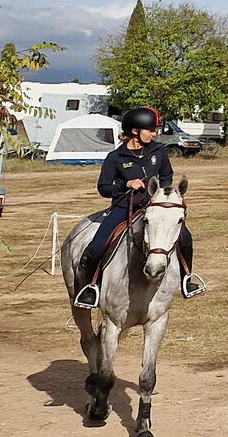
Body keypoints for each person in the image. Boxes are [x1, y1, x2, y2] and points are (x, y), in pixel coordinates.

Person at [75, 107, 193, 308]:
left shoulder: (158, 151)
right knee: (96, 246)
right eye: (151, 130)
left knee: (186, 237)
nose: (154, 134)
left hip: (154, 207)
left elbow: (166, 175)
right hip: (123, 208)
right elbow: (104, 188)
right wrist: (126, 184)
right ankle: (90, 288)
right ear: (135, 131)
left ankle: (186, 279)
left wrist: (162, 191)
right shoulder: (115, 157)